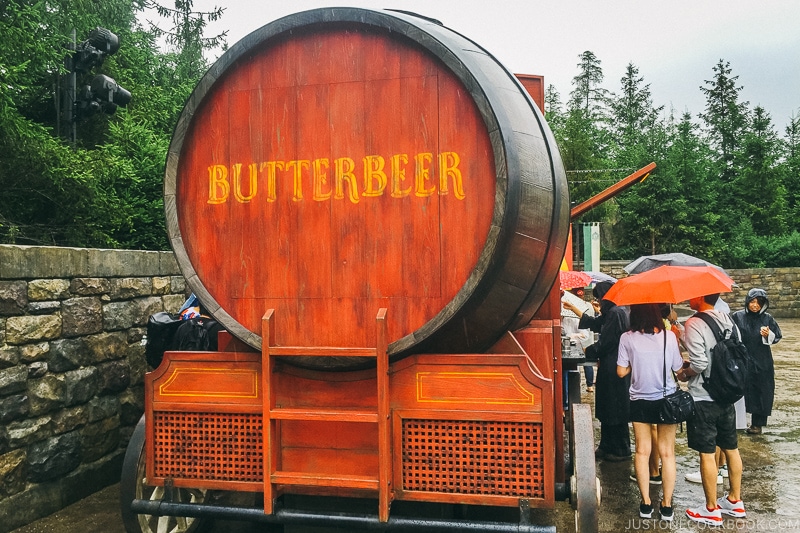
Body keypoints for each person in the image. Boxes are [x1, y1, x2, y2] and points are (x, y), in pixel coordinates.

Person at [678, 293, 746, 526]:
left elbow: (699, 364)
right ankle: (735, 501)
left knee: (707, 452)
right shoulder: (728, 319)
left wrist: (684, 373)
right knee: (731, 447)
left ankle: (710, 508)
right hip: (727, 393)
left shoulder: (694, 322)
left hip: (704, 397)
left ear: (699, 296)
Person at [617, 304, 682, 521]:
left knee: (642, 451)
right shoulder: (669, 337)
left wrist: (635, 364)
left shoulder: (627, 338)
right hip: (666, 400)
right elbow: (677, 367)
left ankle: (645, 503)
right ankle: (667, 506)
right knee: (667, 453)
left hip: (639, 400)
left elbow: (620, 371)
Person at [565, 281, 631, 461]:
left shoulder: (616, 313)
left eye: (599, 297)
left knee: (615, 406)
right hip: (608, 364)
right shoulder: (612, 312)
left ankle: (619, 449)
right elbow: (594, 323)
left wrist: (590, 350)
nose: (598, 301)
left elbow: (607, 342)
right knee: (606, 405)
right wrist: (573, 308)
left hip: (615, 364)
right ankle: (606, 444)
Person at [731, 288, 782, 435]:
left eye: (759, 303)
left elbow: (777, 336)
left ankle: (757, 424)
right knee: (738, 389)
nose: (755, 305)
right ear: (747, 302)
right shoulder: (737, 317)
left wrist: (768, 335)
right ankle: (736, 421)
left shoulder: (768, 318)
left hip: (762, 360)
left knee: (762, 391)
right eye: (752, 302)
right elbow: (731, 336)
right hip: (742, 358)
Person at [562, 287, 595, 391]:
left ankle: (589, 385)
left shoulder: (581, 310)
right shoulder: (588, 305)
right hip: (576, 343)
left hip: (582, 341)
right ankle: (589, 386)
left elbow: (585, 331)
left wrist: (572, 335)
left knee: (586, 364)